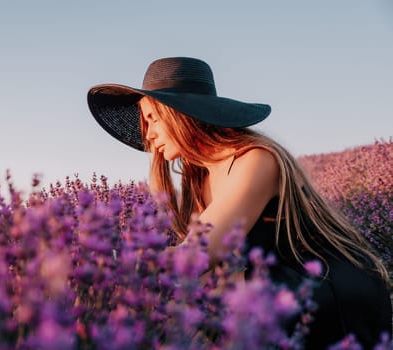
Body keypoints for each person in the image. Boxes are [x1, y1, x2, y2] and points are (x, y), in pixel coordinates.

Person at [86, 56, 392, 348]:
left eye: (152, 119)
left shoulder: (256, 160)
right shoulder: (199, 178)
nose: (148, 135)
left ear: (180, 114)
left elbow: (195, 259)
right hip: (270, 297)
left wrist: (104, 263)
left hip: (328, 294)